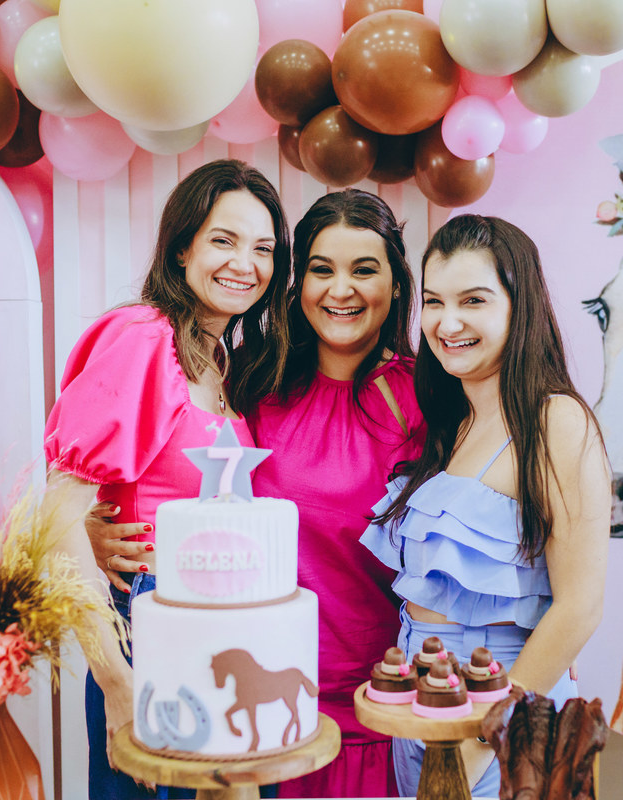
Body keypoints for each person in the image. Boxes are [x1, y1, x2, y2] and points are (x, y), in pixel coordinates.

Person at [89, 189, 423, 797]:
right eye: (321, 269)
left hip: (374, 705)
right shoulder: (250, 380)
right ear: (296, 287)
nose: (340, 289)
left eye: (364, 270)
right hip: (246, 703)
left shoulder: (424, 398)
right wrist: (100, 520)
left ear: (397, 285)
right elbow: (172, 470)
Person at [43, 159, 293, 799]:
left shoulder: (218, 357)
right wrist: (118, 680)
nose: (246, 263)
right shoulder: (141, 336)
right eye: (224, 239)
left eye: (263, 248)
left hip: (220, 616)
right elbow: (60, 510)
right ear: (182, 247)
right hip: (155, 625)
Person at [359, 214, 611, 797]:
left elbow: (579, 606)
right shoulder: (456, 425)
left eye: (472, 300)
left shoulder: (556, 420)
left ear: (519, 305)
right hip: (425, 714)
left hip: (504, 725)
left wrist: (480, 742)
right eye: (434, 302)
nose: (448, 323)